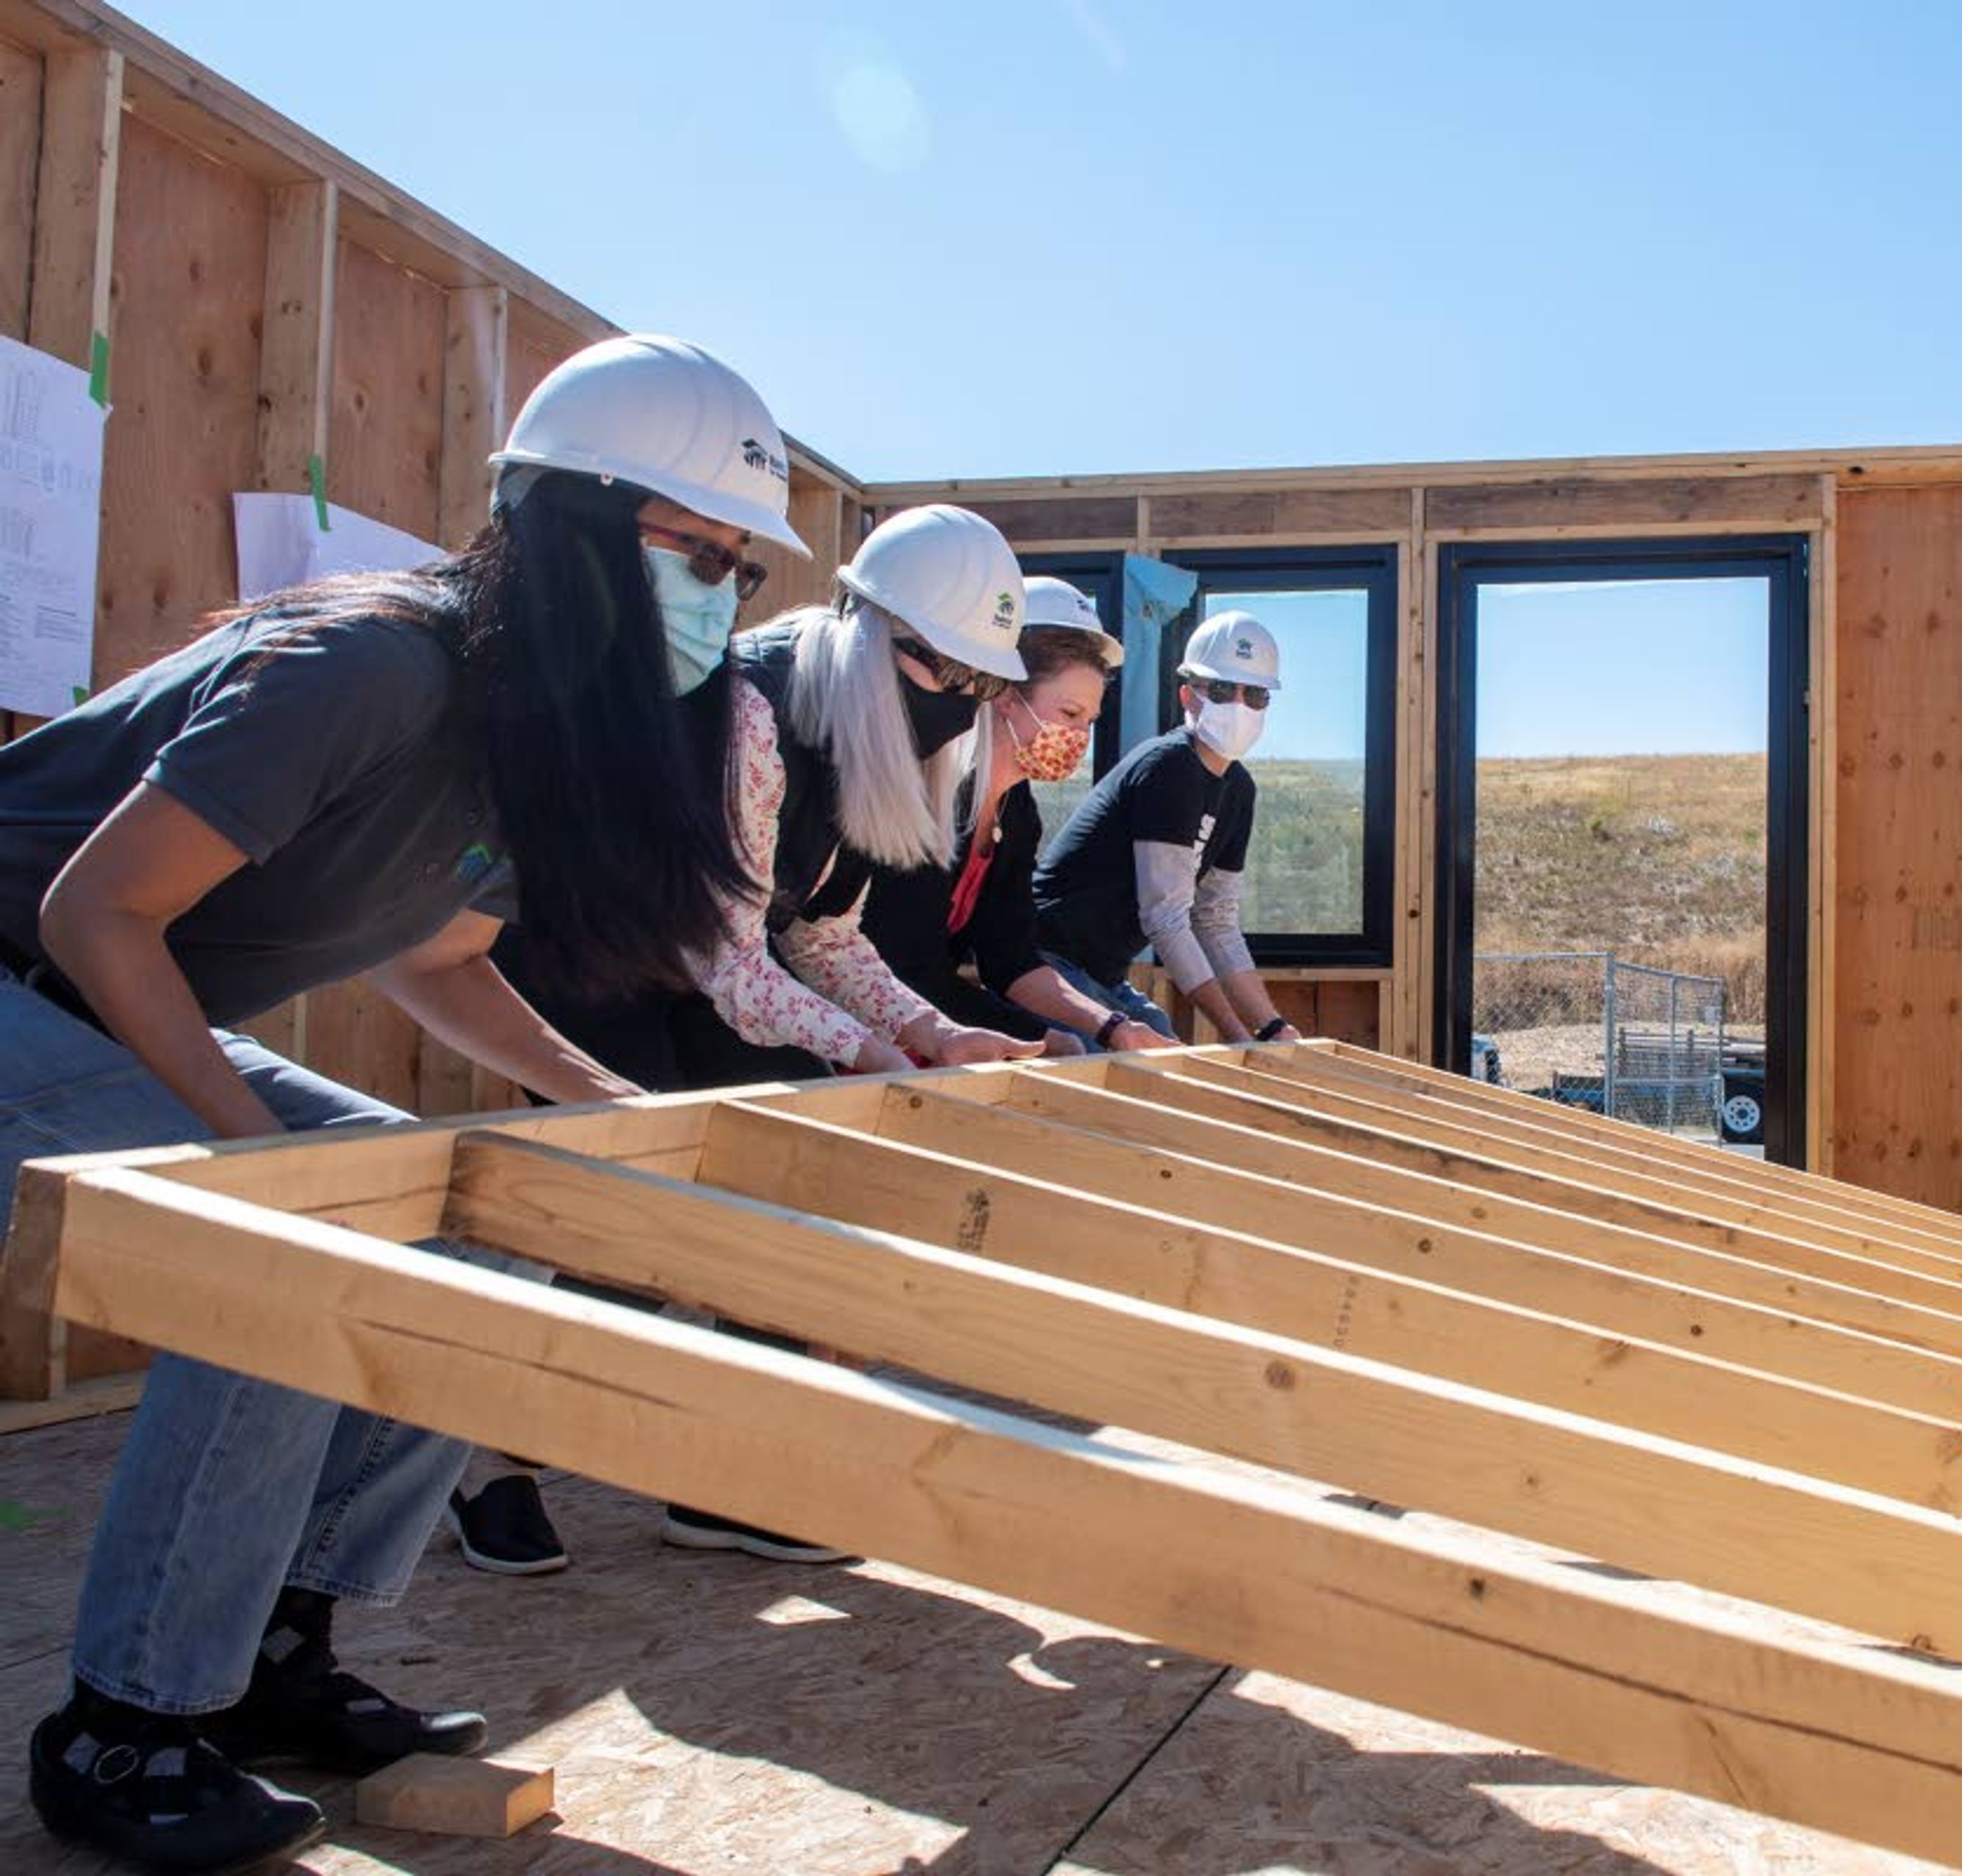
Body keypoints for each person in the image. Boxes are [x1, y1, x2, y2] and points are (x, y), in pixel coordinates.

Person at [0, 333, 809, 1872]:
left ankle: (269, 1650)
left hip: (84, 994)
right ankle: (129, 1719)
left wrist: (600, 1102)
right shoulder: (369, 664)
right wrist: (261, 1172)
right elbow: (96, 912)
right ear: (566, 519)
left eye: (736, 569)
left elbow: (435, 954)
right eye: (693, 551)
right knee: (292, 1263)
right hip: (25, 978)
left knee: (480, 1211)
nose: (719, 591)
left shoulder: (526, 727)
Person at [449, 503, 1046, 1576]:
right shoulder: (751, 707)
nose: (962, 707)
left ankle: (728, 1475)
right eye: (946, 674)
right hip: (590, 963)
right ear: (873, 631)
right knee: (623, 1218)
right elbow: (730, 960)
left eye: (982, 687)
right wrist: (874, 1055)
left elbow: (821, 935)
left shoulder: (872, 744)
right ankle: (488, 1455)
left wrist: (928, 1027)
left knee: (789, 1173)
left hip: (709, 974)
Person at [863, 576, 1182, 1055]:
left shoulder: (1017, 812)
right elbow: (909, 966)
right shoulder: (929, 791)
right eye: (1070, 713)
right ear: (1005, 695)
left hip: (926, 1025)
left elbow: (1010, 959)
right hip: (855, 1030)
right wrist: (1046, 1039)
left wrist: (1110, 1027)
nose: (1079, 736)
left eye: (1089, 722)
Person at [1031, 611, 1304, 1048]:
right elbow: (1166, 916)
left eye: (1254, 694)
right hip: (1046, 966)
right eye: (1219, 690)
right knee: (1122, 1072)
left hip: (1103, 975)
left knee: (1162, 1053)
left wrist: (1270, 1027)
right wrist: (1236, 1035)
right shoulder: (1168, 767)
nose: (1238, 705)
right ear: (1187, 695)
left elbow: (1215, 919)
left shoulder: (1238, 791)